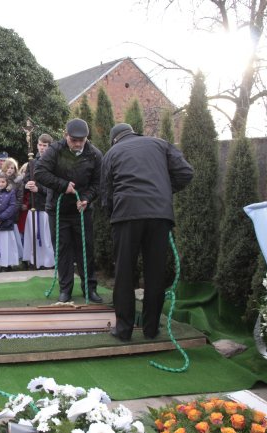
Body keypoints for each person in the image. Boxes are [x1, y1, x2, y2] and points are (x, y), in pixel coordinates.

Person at [101, 123, 193, 341]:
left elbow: (106, 193)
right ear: (134, 132)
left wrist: (112, 216)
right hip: (160, 215)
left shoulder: (112, 152)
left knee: (124, 273)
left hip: (127, 214)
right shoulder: (161, 144)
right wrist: (162, 191)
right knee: (155, 273)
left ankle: (124, 331)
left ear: (114, 139)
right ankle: (151, 329)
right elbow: (186, 172)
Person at [35, 118, 103, 304]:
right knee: (62, 250)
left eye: (82, 140)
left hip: (82, 211)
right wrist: (63, 186)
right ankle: (66, 290)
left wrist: (87, 198)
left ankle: (90, 288)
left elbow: (98, 184)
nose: (78, 143)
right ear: (66, 136)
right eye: (74, 140)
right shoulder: (54, 151)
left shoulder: (95, 155)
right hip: (58, 209)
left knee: (85, 249)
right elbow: (39, 172)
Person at [23, 133, 55, 269]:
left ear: (49, 146)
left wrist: (39, 189)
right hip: (33, 205)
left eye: (45, 145)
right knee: (34, 236)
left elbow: (53, 184)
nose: (42, 148)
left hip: (46, 206)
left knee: (46, 237)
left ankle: (49, 262)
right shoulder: (32, 162)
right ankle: (34, 261)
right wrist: (27, 185)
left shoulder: (53, 162)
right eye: (40, 145)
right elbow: (26, 179)